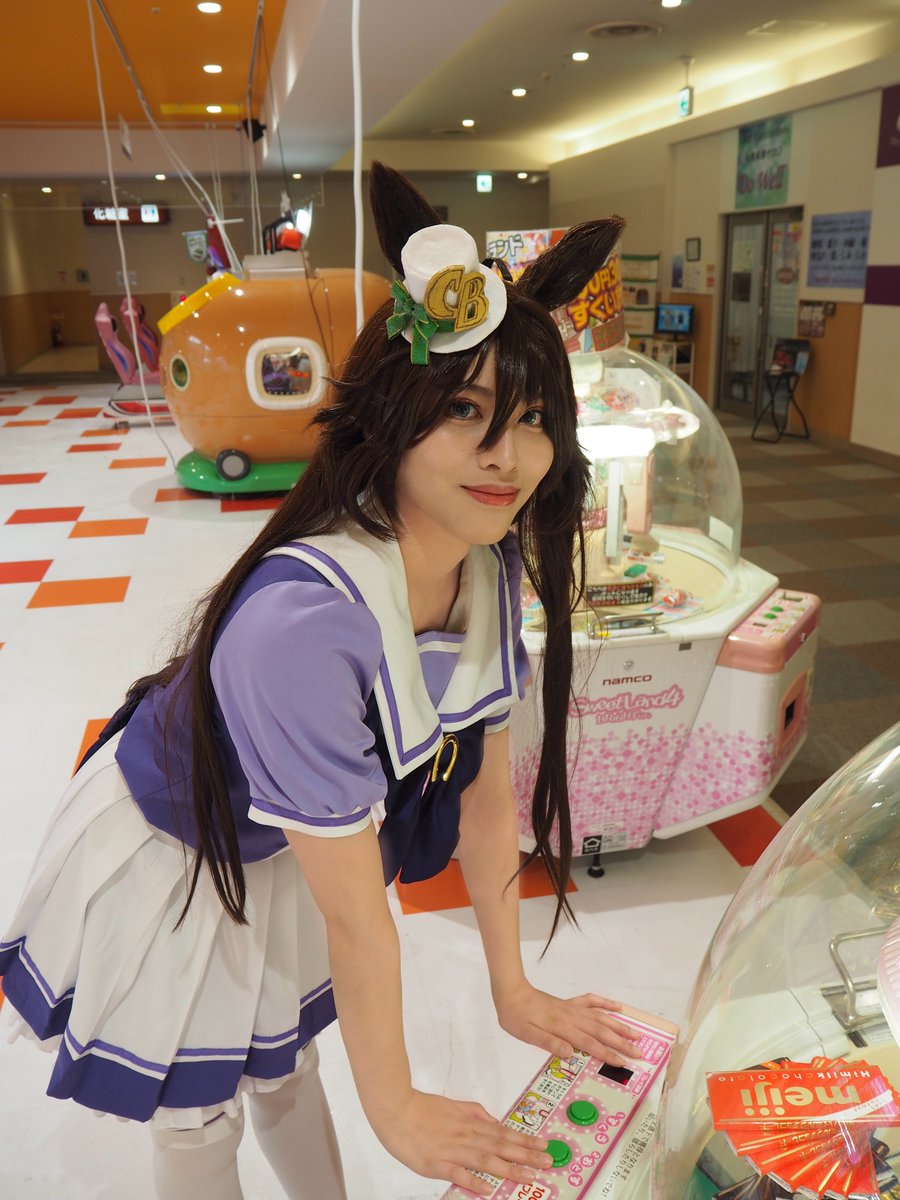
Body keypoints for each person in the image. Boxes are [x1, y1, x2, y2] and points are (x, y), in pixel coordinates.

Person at [0, 163, 633, 1199]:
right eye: (464, 407)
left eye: (532, 418)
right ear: (390, 412)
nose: (506, 456)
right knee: (199, 1114)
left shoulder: (486, 566)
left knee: (282, 1062)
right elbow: (357, 917)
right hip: (178, 845)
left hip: (287, 842)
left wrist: (513, 989)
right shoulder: (302, 627)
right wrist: (396, 1106)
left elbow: (483, 801)